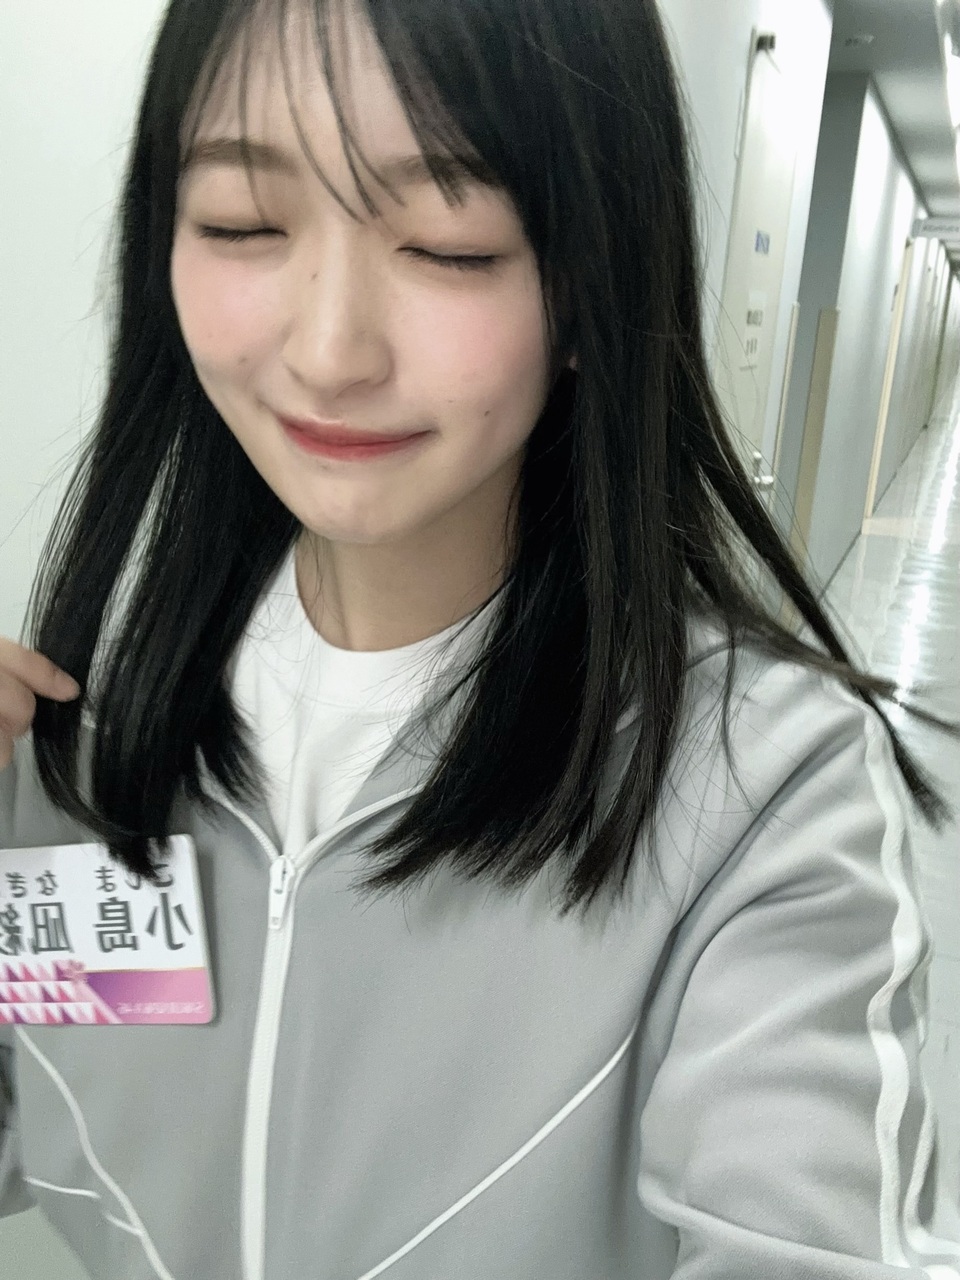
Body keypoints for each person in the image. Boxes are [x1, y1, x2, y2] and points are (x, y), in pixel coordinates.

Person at [1, 0, 958, 1276]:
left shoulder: (763, 795)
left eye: (450, 244)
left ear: (593, 282)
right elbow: (42, 1131)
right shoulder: (86, 723)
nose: (329, 352)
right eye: (242, 223)